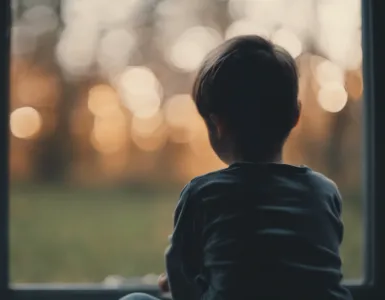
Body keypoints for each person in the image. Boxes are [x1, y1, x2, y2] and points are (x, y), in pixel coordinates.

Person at [120, 35, 353, 300]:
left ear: (218, 125)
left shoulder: (203, 193)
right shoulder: (324, 192)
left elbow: (182, 275)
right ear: (296, 115)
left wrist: (177, 284)